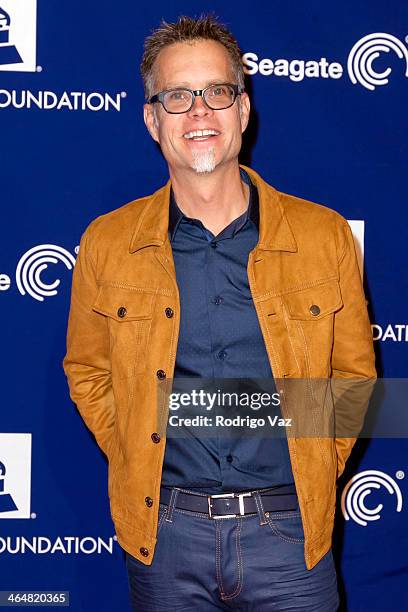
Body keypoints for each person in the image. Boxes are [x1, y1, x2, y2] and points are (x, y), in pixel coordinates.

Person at [63, 15, 376, 611]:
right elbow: (89, 371)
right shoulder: (107, 242)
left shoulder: (323, 235)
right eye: (178, 97)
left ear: (243, 110)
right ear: (152, 120)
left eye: (217, 93)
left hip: (289, 539)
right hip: (164, 538)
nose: (199, 112)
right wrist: (135, 446)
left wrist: (310, 467)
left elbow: (355, 379)